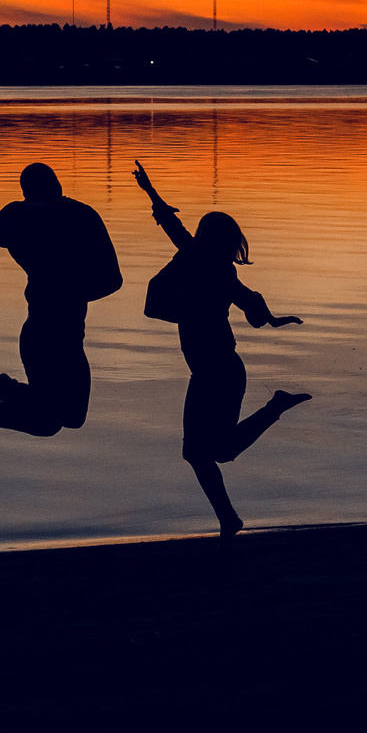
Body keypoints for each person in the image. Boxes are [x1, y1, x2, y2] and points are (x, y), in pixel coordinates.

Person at [131, 158, 311, 536]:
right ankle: (228, 518)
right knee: (199, 453)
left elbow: (249, 303)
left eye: (201, 233)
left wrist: (270, 317)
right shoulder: (205, 263)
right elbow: (172, 227)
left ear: (208, 238)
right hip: (208, 373)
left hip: (222, 373)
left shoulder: (212, 267)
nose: (194, 237)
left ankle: (275, 406)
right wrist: (149, 191)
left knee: (215, 451)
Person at [0, 162, 121, 436]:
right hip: (54, 330)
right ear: (57, 185)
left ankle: (2, 390)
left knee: (68, 417)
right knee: (51, 420)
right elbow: (113, 280)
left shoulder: (22, 214)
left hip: (50, 330)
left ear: (25, 191)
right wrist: (75, 294)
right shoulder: (82, 215)